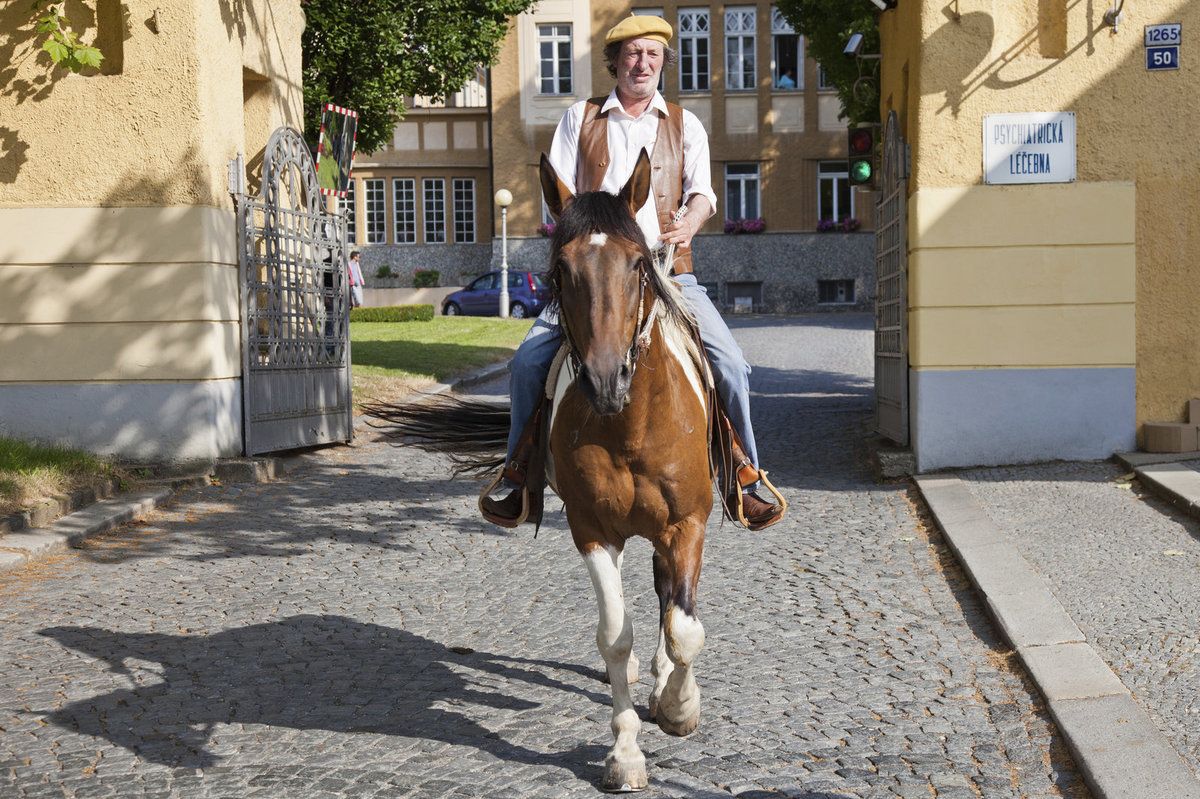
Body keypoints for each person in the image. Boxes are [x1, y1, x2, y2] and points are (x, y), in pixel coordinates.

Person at [481, 14, 785, 531]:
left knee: (730, 364)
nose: (642, 63)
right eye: (632, 54)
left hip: (667, 272)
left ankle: (744, 474)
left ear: (665, 62)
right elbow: (559, 194)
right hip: (596, 277)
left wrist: (689, 221)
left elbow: (704, 195)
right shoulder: (582, 118)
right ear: (615, 61)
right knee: (528, 363)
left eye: (652, 55)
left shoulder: (685, 124)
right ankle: (518, 470)